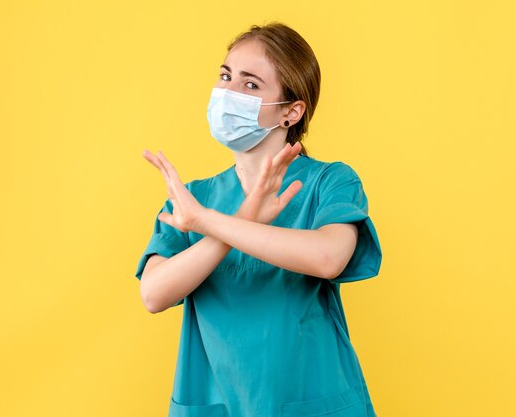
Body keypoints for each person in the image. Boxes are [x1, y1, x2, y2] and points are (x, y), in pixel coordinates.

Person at [135, 22, 383, 417]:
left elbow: (328, 257)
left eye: (251, 85)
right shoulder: (195, 198)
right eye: (225, 76)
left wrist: (206, 222)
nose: (228, 92)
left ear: (290, 111)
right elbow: (154, 294)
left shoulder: (329, 182)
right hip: (217, 402)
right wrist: (233, 218)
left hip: (313, 402)